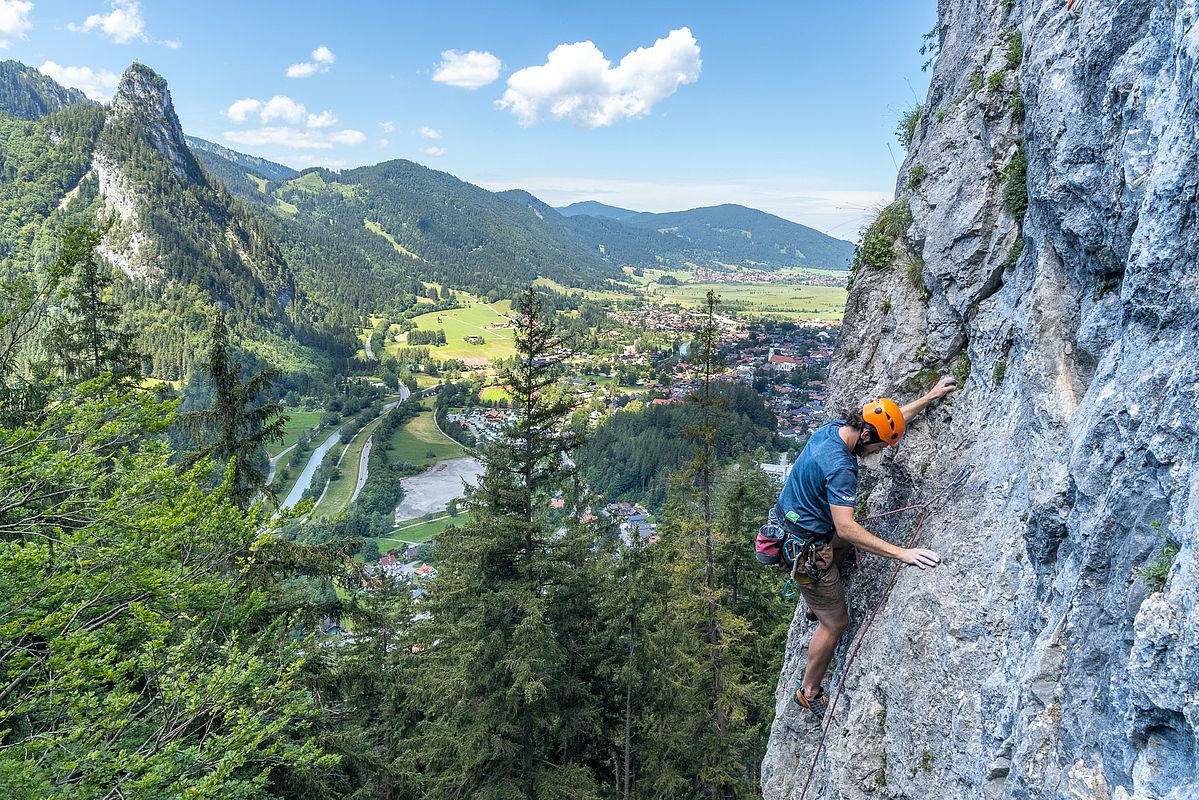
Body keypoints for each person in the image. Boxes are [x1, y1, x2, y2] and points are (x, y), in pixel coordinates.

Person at [778, 376, 959, 719]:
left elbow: (886, 420)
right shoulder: (842, 468)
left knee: (846, 541)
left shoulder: (836, 429)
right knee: (837, 623)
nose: (879, 452)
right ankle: (809, 689)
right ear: (865, 436)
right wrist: (902, 553)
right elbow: (845, 525)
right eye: (879, 447)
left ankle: (817, 602)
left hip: (795, 528)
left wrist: (929, 396)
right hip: (804, 550)